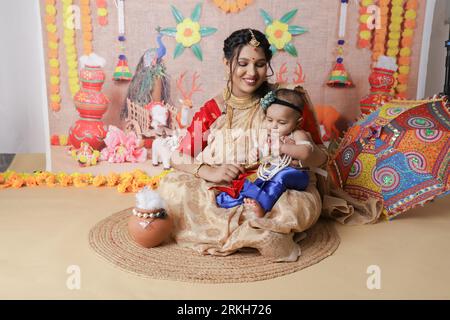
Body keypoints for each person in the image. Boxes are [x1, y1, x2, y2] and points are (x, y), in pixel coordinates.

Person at [156, 28, 380, 262]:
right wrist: (211, 171)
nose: (252, 72)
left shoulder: (286, 100)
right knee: (172, 187)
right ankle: (261, 232)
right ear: (226, 63)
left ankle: (259, 230)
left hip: (274, 186)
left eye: (260, 64)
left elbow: (321, 157)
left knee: (296, 205)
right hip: (223, 185)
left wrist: (296, 152)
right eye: (242, 63)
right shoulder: (213, 109)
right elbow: (178, 156)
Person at [215, 88, 317, 218]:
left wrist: (282, 147)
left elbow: (306, 152)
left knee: (280, 177)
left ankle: (263, 206)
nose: (273, 126)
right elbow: (262, 151)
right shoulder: (268, 134)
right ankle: (234, 200)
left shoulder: (297, 134)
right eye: (269, 120)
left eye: (281, 122)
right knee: (251, 179)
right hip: (269, 170)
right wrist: (255, 153)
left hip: (295, 174)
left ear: (298, 122)